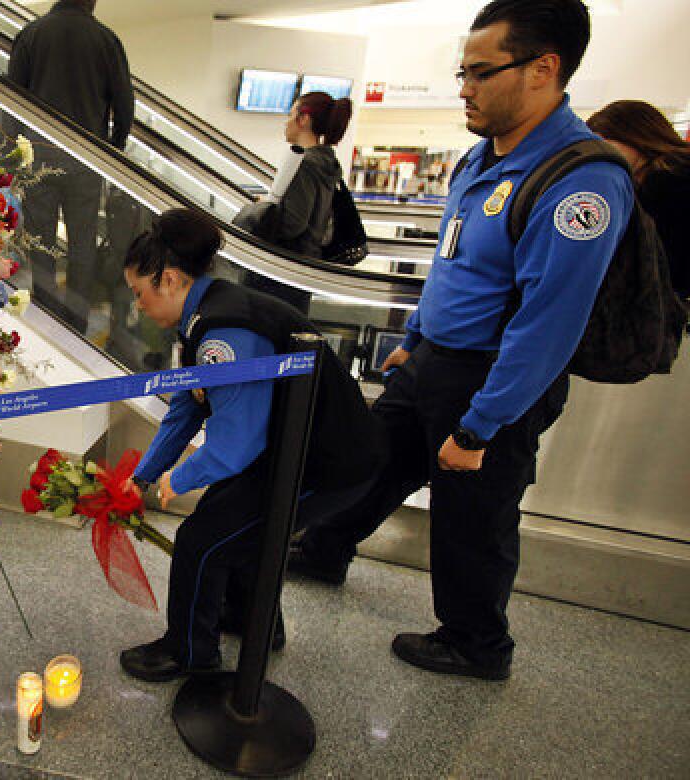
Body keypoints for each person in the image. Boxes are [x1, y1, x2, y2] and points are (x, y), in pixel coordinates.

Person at [285, 0, 633, 681]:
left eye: (480, 72)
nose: (464, 87)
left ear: (543, 69)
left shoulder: (581, 181)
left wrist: (479, 429)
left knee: (472, 515)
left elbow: (548, 324)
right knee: (370, 460)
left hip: (492, 379)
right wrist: (414, 339)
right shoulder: (480, 159)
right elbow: (454, 263)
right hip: (431, 362)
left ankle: (476, 643)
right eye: (462, 71)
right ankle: (325, 548)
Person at [116, 208, 384, 682]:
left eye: (140, 293)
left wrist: (177, 478)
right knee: (230, 521)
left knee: (202, 539)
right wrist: (141, 476)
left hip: (328, 464)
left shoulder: (224, 333)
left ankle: (189, 653)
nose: (138, 306)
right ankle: (250, 618)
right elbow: (187, 406)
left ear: (171, 279)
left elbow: (235, 446)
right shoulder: (207, 313)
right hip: (299, 447)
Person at [7, 0, 134, 334]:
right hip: (87, 159)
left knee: (41, 239)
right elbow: (124, 106)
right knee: (82, 243)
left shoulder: (31, 34)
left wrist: (13, 153)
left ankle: (45, 317)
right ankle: (77, 322)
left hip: (39, 155)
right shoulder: (106, 40)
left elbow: (12, 98)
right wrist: (113, 151)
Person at [240, 91, 355, 311]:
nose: (286, 121)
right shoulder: (327, 163)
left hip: (280, 274)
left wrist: (263, 208)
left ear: (304, 119)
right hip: (301, 271)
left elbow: (293, 223)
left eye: (291, 114)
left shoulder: (305, 164)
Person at [587, 100, 690, 299]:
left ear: (635, 136)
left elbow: (665, 260)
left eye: (605, 144)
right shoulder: (668, 172)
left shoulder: (666, 181)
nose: (600, 154)